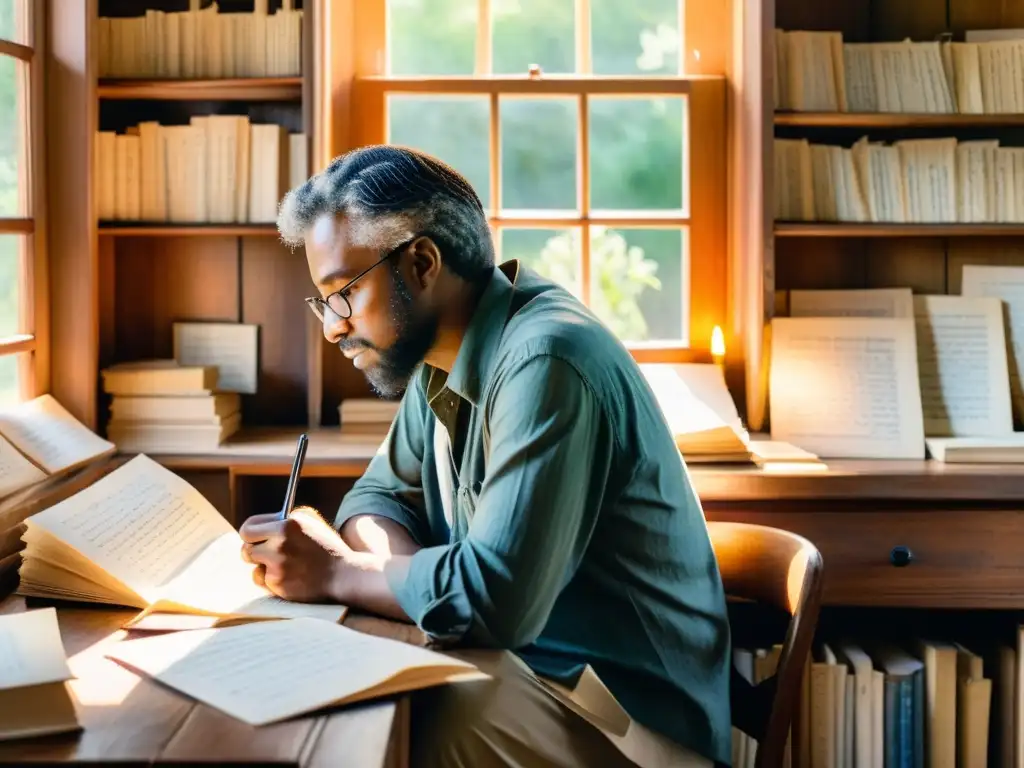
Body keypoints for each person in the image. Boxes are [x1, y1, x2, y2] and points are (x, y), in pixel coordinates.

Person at [239, 144, 732, 768]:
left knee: (412, 720)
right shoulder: (439, 359)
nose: (333, 326)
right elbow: (376, 498)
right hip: (534, 675)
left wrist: (343, 573)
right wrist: (422, 589)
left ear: (421, 263)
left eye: (345, 294)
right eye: (323, 302)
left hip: (635, 724)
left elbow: (495, 603)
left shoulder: (546, 359)